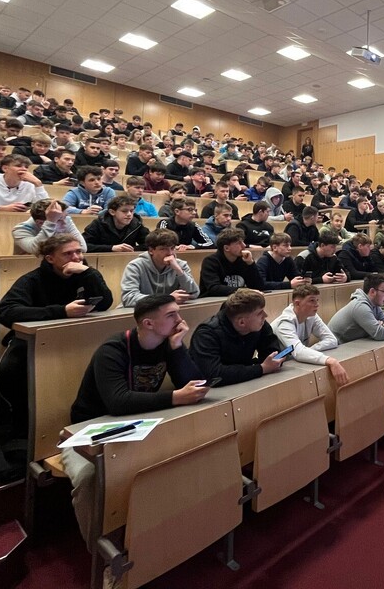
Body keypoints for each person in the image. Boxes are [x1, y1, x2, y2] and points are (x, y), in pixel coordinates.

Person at [62, 295, 208, 543]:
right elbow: (118, 402)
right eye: (171, 315)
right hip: (88, 431)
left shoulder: (167, 344)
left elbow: (194, 385)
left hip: (139, 424)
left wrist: (177, 348)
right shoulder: (113, 350)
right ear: (148, 323)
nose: (179, 319)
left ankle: (155, 537)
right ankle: (103, 554)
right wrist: (175, 397)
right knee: (90, 477)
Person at [0, 235, 112, 325]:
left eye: (78, 251)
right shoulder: (32, 280)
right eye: (67, 254)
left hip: (79, 331)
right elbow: (6, 312)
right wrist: (62, 311)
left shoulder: (87, 274)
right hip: (41, 336)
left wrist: (89, 273)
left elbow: (105, 304)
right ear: (50, 259)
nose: (76, 258)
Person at [189, 289, 283, 385]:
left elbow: (273, 354)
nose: (265, 315)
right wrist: (261, 368)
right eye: (260, 313)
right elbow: (214, 375)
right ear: (242, 322)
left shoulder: (259, 325)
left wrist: (271, 363)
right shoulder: (206, 334)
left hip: (241, 383)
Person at [270, 285, 349, 383]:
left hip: (293, 363)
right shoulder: (285, 323)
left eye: (317, 300)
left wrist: (309, 350)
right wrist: (330, 360)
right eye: (312, 300)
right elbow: (298, 352)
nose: (317, 305)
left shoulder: (311, 315)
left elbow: (332, 340)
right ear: (297, 303)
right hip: (274, 369)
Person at [120, 229, 200, 308]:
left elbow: (194, 293)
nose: (170, 253)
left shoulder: (180, 265)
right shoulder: (135, 266)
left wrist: (179, 271)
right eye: (163, 249)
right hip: (140, 312)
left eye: (172, 248)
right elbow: (128, 298)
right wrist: (167, 299)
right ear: (151, 250)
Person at [199, 228, 263, 296]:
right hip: (213, 300)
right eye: (239, 243)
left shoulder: (244, 260)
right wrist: (244, 291)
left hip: (238, 298)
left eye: (243, 242)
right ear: (226, 248)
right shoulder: (210, 262)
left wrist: (250, 263)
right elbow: (214, 288)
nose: (244, 245)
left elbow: (259, 286)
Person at [12, 199, 87, 255]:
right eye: (59, 220)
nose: (65, 223)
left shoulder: (65, 220)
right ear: (40, 223)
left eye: (65, 218)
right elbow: (36, 250)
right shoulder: (20, 230)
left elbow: (82, 248)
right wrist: (51, 223)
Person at [81, 195, 150, 252]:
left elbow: (151, 244)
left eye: (131, 211)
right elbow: (82, 245)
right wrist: (111, 248)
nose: (129, 214)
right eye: (124, 211)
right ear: (112, 212)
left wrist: (130, 249)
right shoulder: (98, 224)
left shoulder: (137, 224)